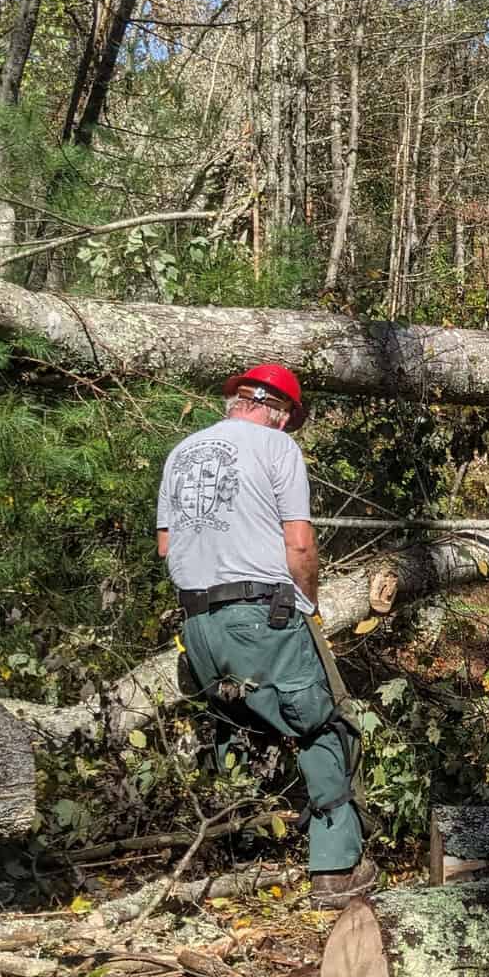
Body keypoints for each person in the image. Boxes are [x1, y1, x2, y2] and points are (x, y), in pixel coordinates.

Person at [155, 364, 377, 909]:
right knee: (322, 723)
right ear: (278, 413)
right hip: (262, 612)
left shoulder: (182, 452)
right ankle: (336, 866)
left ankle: (228, 849)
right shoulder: (278, 449)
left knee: (235, 724)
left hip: (198, 622)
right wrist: (307, 603)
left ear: (236, 401)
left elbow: (166, 547)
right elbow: (298, 544)